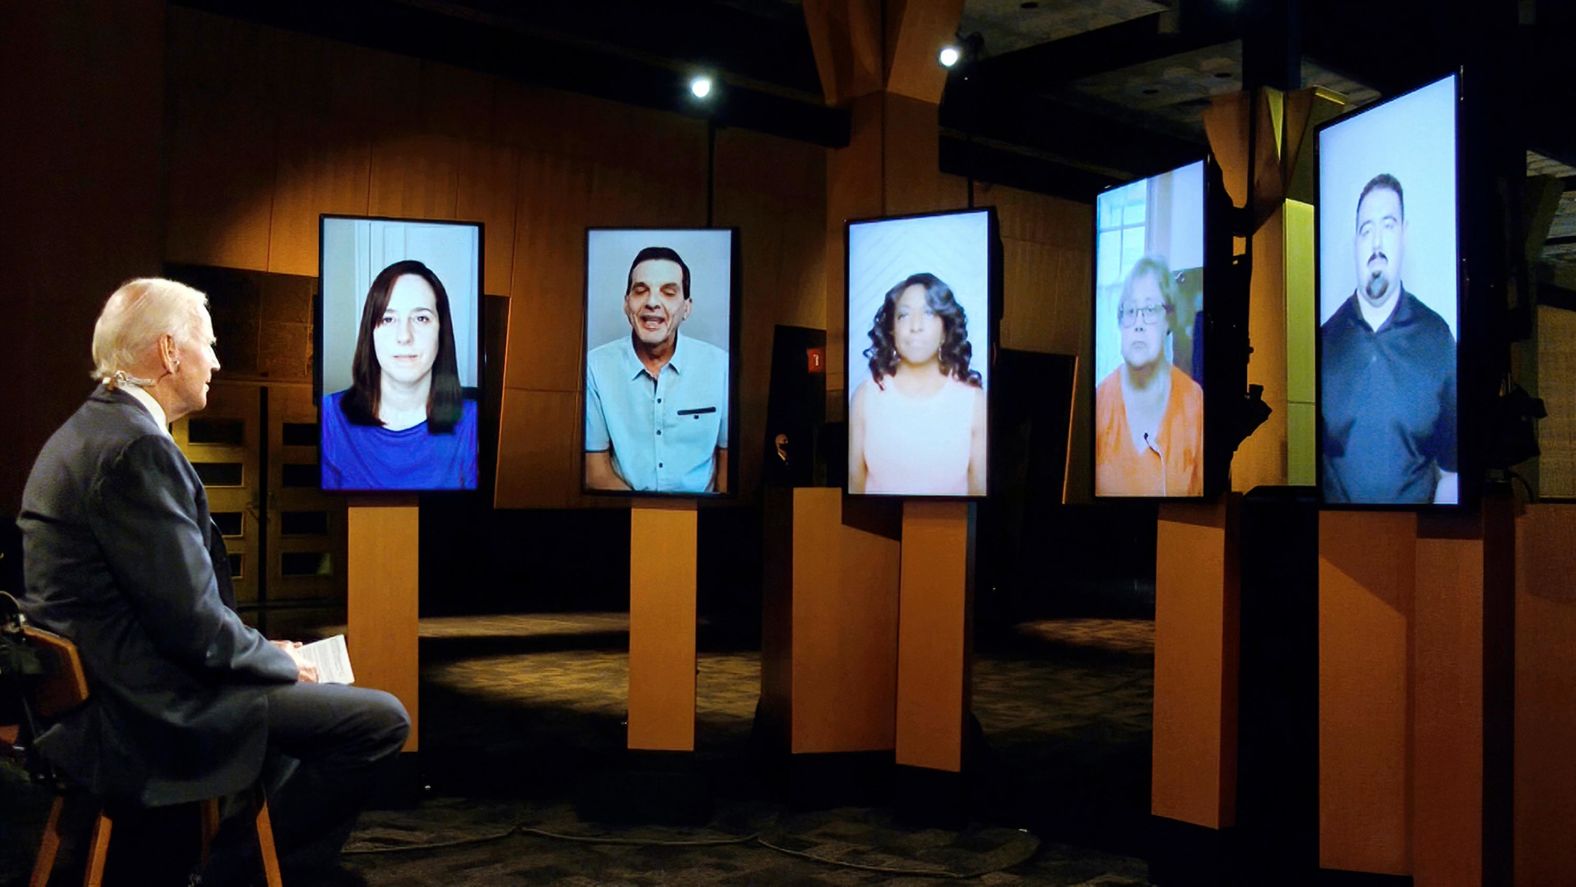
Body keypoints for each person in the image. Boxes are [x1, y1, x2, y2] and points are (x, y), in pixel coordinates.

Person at [17, 278, 410, 885]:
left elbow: (174, 607)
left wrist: (260, 651)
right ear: (170, 352)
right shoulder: (134, 450)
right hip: (146, 712)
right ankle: (240, 873)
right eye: (210, 342)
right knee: (379, 719)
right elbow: (194, 629)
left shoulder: (86, 432)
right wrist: (278, 663)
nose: (218, 361)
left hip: (110, 691)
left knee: (302, 698)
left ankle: (235, 856)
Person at [1321, 173, 1457, 504]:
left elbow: (1453, 472)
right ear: (1355, 243)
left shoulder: (1437, 338)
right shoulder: (1324, 342)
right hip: (1336, 545)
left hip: (1416, 544)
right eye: (1366, 230)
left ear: (1404, 235)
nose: (1377, 244)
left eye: (1388, 225)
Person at [321, 259, 479, 490]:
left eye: (421, 318)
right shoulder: (330, 416)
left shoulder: (472, 421)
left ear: (441, 332)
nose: (404, 336)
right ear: (370, 332)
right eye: (388, 318)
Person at [585, 246, 729, 493]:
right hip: (626, 513)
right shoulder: (594, 367)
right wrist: (647, 516)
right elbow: (595, 472)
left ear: (687, 307)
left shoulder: (721, 367)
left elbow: (728, 465)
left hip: (701, 515)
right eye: (640, 291)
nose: (652, 302)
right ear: (626, 303)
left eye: (668, 292)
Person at [848, 272, 987, 496]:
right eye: (903, 315)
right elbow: (855, 485)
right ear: (891, 329)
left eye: (929, 313)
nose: (916, 326)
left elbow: (979, 493)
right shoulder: (865, 397)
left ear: (945, 329)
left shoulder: (974, 402)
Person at [1094, 256, 1204, 497]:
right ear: (1120, 322)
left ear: (1169, 319)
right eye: (1130, 310)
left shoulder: (1194, 402)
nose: (1139, 324)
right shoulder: (1099, 402)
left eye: (1151, 309)